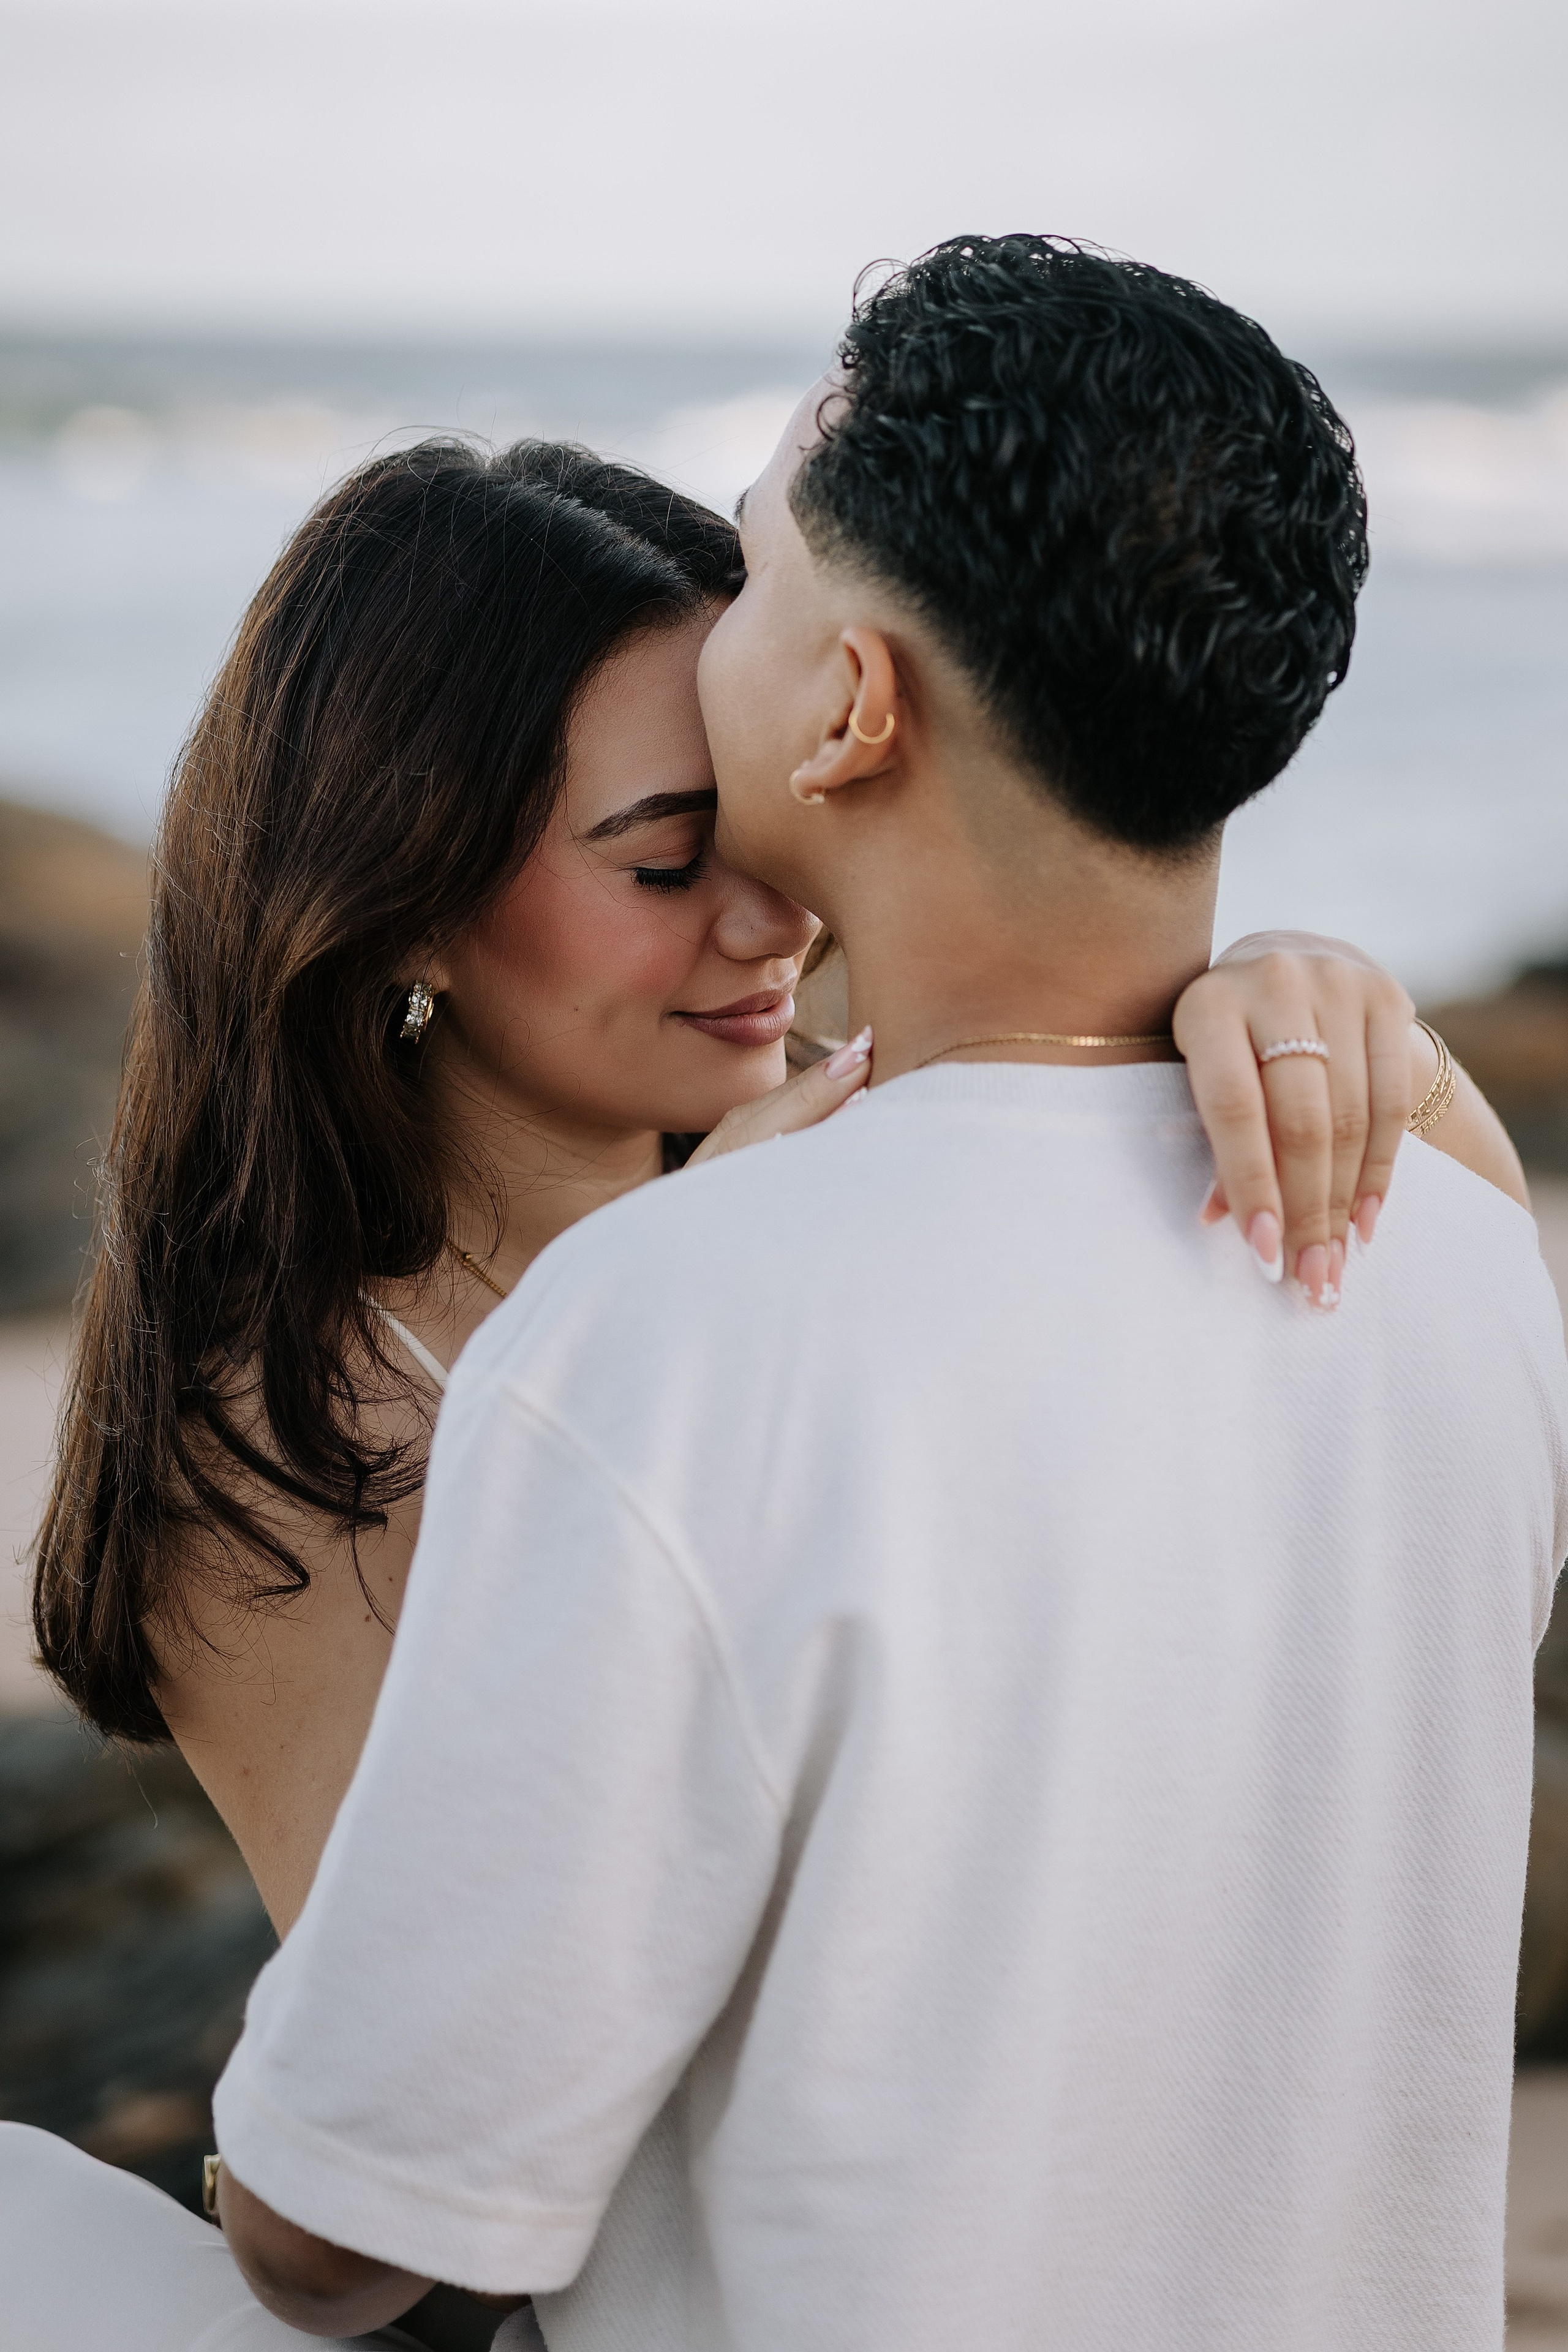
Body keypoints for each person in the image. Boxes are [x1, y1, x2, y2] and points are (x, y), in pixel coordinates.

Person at [4, 395, 1528, 2345]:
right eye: (660, 866)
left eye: (765, 818)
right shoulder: (289, 1445)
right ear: (402, 905)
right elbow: (444, 2181)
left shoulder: (885, 1170)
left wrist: (1331, 1014)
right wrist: (674, 1296)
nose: (773, 921)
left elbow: (1450, 1307)